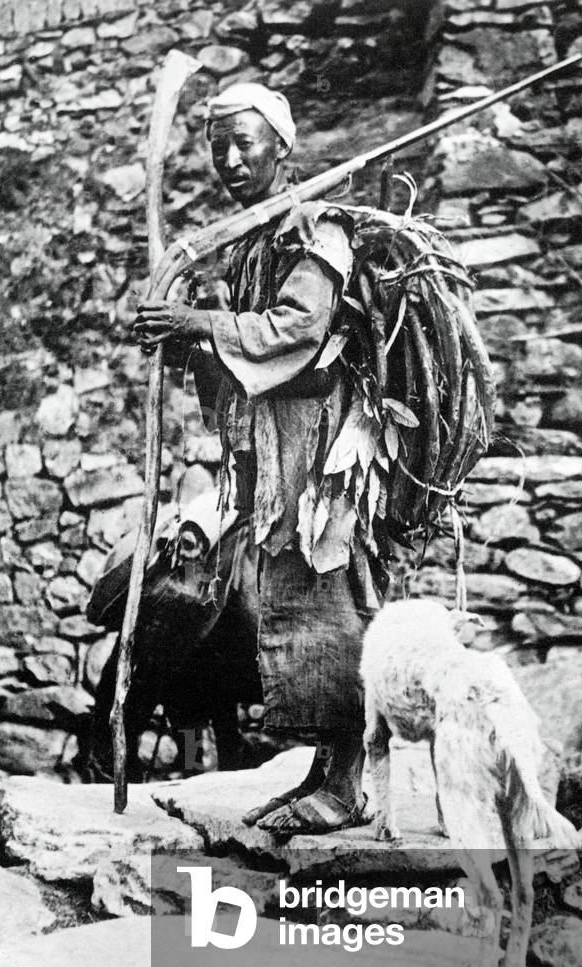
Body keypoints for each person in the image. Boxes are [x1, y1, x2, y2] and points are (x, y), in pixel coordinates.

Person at [132, 83, 388, 837]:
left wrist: (200, 322)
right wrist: (184, 336)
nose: (231, 160)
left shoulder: (318, 227)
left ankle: (348, 783)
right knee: (295, 604)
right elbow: (236, 354)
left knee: (329, 598)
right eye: (219, 148)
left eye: (245, 143)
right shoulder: (249, 240)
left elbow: (297, 329)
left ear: (282, 146)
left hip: (322, 455)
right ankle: (324, 770)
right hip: (274, 459)